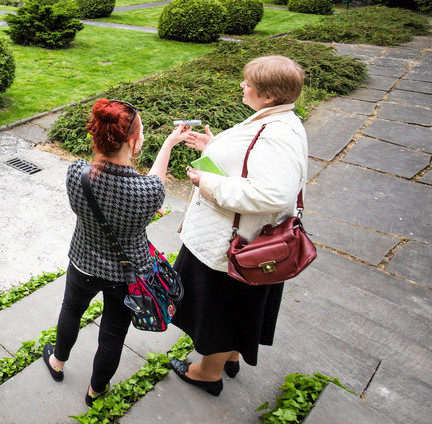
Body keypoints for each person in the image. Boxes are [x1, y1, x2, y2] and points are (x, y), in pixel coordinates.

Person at [169, 55, 309, 396]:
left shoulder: (279, 134)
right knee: (236, 306)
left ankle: (207, 373)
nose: (242, 86)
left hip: (231, 244)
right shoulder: (278, 119)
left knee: (217, 307)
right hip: (244, 239)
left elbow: (275, 193)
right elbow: (251, 161)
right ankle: (230, 354)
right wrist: (213, 147)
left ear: (269, 96)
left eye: (249, 83)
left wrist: (208, 183)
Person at [42, 98, 190, 406]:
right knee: (112, 335)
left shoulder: (76, 173)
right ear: (133, 142)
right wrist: (170, 144)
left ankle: (57, 362)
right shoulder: (146, 193)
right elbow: (156, 184)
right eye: (142, 133)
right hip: (127, 274)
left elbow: (101, 174)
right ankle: (96, 390)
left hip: (83, 261)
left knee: (71, 310)